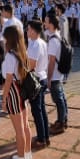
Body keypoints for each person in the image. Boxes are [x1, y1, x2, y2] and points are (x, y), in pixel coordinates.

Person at [1, 26, 31, 159]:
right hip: (22, 89)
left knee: (18, 128)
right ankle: (26, 153)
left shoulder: (10, 56)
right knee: (25, 126)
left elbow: (8, 80)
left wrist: (4, 98)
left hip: (13, 90)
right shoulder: (23, 52)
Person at [26, 19, 50, 147]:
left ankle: (41, 139)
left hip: (36, 79)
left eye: (28, 29)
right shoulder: (41, 42)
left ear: (34, 31)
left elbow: (31, 65)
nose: (27, 31)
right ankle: (45, 135)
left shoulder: (35, 44)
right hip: (42, 77)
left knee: (37, 111)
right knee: (41, 110)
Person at [44, 14, 69, 136]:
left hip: (54, 75)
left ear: (51, 24)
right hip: (58, 73)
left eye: (46, 21)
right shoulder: (57, 36)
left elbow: (52, 61)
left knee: (58, 100)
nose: (44, 23)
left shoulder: (53, 40)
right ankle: (63, 120)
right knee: (61, 98)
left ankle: (60, 123)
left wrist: (48, 78)